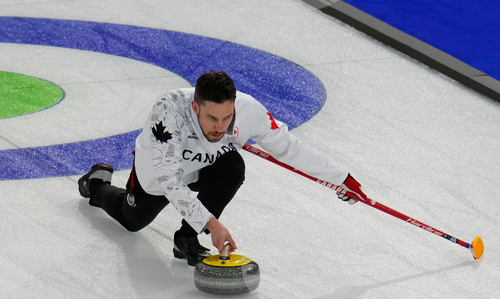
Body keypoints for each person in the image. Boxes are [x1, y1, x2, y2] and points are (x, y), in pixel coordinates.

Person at [78, 70, 367, 265]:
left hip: (204, 169)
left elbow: (289, 147)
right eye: (212, 118)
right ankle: (97, 184)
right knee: (132, 221)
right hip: (157, 176)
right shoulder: (169, 111)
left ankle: (186, 239)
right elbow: (169, 181)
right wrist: (212, 224)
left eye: (226, 117)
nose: (220, 127)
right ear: (195, 108)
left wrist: (342, 178)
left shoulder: (250, 110)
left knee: (232, 166)